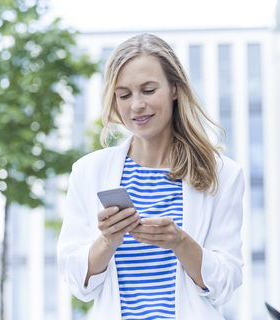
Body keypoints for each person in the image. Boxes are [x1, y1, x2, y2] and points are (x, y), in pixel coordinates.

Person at [57, 33, 244, 320]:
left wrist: (179, 241)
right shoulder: (88, 171)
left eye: (148, 90)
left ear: (174, 89)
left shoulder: (222, 174)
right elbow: (77, 283)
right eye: (124, 94)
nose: (136, 106)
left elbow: (225, 285)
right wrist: (107, 241)